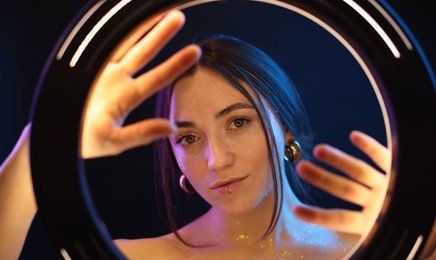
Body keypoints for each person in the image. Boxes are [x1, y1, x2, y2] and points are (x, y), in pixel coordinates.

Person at [0, 9, 389, 260]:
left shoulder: (368, 246)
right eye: (188, 138)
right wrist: (46, 137)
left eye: (238, 122)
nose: (216, 160)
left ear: (285, 126)